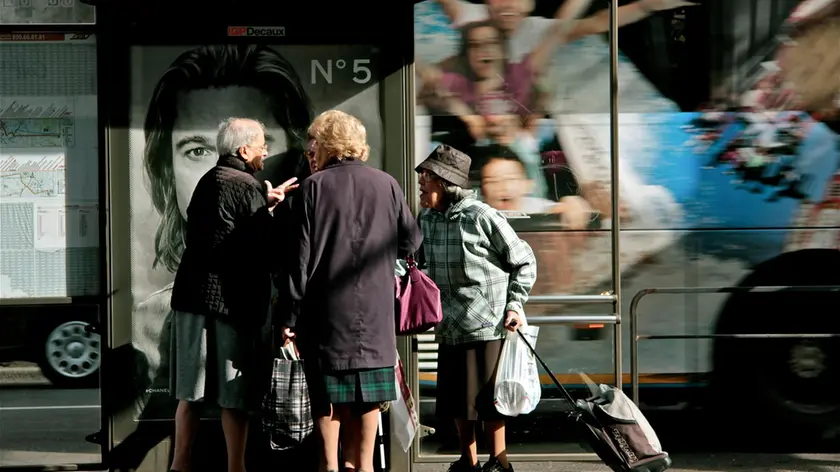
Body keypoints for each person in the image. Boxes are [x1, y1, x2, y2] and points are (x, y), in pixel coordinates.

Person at [279, 110, 423, 472]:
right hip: (375, 316)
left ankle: (329, 466)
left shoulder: (312, 188)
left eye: (314, 145)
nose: (310, 153)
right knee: (368, 401)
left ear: (328, 145)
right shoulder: (387, 183)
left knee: (328, 403)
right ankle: (364, 466)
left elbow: (299, 261)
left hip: (325, 316)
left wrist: (288, 317)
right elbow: (411, 240)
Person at [168, 118, 299, 472]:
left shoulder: (209, 180)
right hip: (230, 304)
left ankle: (179, 464)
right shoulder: (245, 185)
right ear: (243, 150)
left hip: (192, 300)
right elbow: (263, 249)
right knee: (233, 397)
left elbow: (225, 230)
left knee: (190, 394)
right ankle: (236, 467)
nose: (265, 152)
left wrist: (263, 206)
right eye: (260, 145)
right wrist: (271, 213)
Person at [415, 144, 537, 472]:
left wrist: (514, 305)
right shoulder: (426, 218)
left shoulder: (482, 216)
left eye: (426, 178)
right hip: (450, 325)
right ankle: (467, 460)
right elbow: (418, 263)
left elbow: (524, 260)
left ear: (444, 182)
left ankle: (499, 461)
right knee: (458, 400)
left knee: (490, 399)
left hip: (488, 324)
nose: (421, 184)